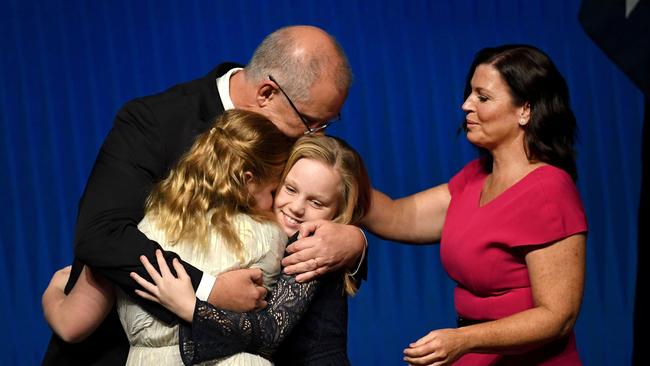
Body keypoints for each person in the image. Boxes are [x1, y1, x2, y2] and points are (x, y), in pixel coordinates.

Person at [42, 25, 368, 365]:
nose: (315, 134)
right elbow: (102, 235)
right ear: (267, 93)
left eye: (325, 125)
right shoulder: (153, 123)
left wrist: (355, 241)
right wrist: (210, 289)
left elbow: (337, 196)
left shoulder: (293, 137)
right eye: (312, 122)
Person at [43, 134, 371, 365]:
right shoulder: (257, 234)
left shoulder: (315, 247)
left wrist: (190, 305)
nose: (297, 207)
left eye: (316, 202)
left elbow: (270, 332)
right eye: (289, 189)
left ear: (337, 214)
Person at [363, 45, 587, 365]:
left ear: (525, 109)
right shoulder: (475, 178)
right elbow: (397, 216)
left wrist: (464, 339)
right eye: (470, 94)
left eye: (482, 97)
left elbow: (558, 316)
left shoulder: (549, 189)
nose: (466, 104)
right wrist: (330, 165)